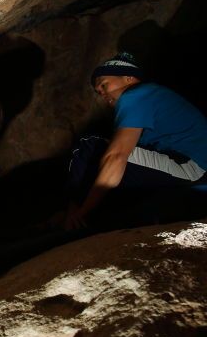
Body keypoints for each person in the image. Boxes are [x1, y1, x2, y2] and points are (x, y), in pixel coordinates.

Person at [63, 52, 207, 230]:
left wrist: (82, 209)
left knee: (90, 145)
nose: (102, 94)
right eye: (98, 92)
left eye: (104, 85)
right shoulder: (152, 99)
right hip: (195, 183)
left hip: (195, 168)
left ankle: (74, 216)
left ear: (128, 78)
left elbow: (116, 156)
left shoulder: (135, 95)